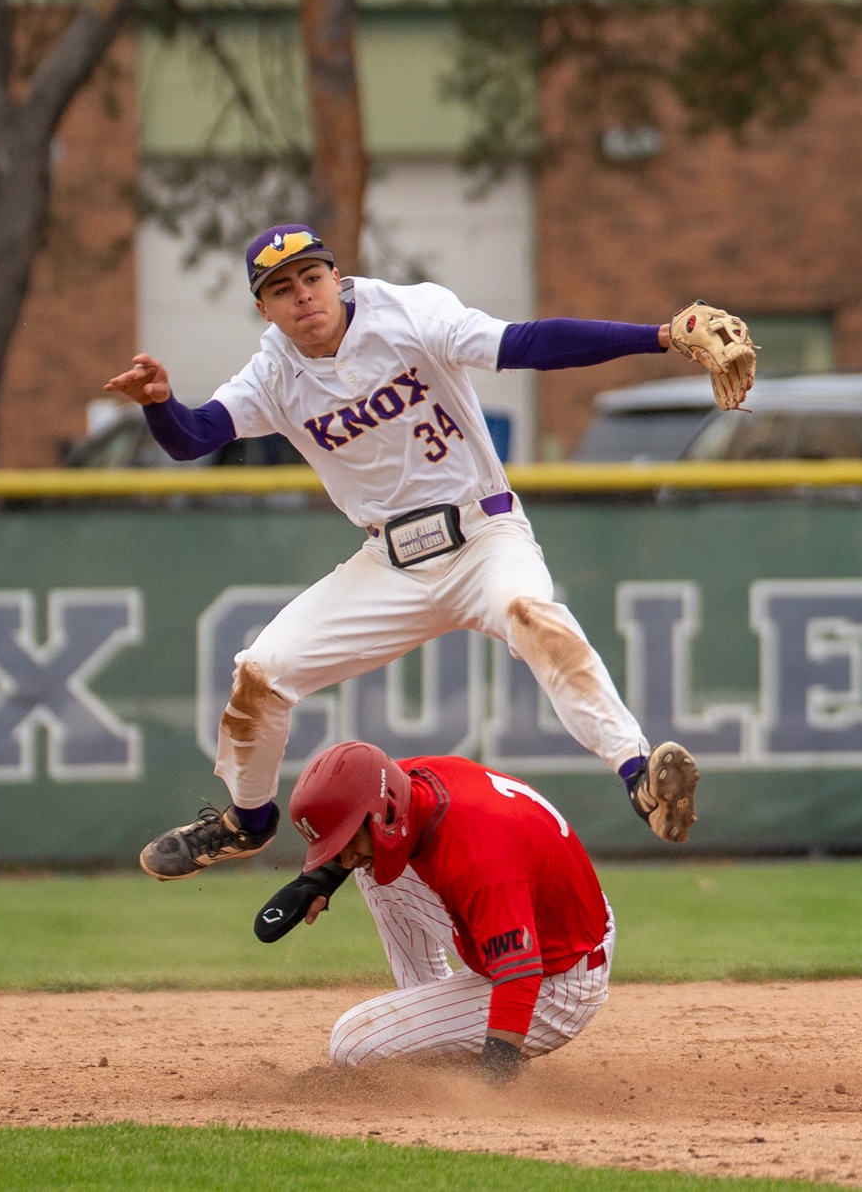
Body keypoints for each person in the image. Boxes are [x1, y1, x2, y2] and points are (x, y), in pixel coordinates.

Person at [106, 223, 749, 880]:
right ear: (263, 308)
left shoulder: (408, 313)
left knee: (533, 614)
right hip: (388, 564)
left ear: (335, 276)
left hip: (483, 537)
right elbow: (195, 436)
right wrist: (159, 405)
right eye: (280, 288)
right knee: (261, 673)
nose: (302, 295)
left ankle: (641, 777)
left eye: (311, 276)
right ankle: (247, 821)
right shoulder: (274, 370)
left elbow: (523, 344)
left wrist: (661, 335)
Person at [279, 740, 613, 1082]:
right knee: (376, 869)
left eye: (347, 844)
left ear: (383, 812)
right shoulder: (407, 781)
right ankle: (441, 1030)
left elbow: (519, 975)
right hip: (548, 914)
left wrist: (493, 1080)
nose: (345, 860)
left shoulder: (479, 860)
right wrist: (324, 875)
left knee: (352, 1043)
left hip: (554, 979)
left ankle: (453, 1044)